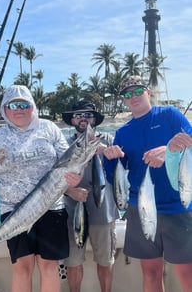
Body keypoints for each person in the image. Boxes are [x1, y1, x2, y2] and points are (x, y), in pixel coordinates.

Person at [0, 84, 75, 292]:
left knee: (49, 265)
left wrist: (75, 177)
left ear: (32, 106)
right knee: (22, 267)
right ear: (4, 109)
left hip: (51, 209)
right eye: (13, 105)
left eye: (24, 104)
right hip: (13, 213)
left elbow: (68, 160)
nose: (19, 109)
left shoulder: (49, 128)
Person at [103, 75, 192, 292]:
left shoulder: (170, 115)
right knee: (150, 272)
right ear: (123, 100)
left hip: (177, 206)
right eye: (127, 94)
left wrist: (168, 149)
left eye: (137, 91)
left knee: (187, 272)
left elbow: (189, 142)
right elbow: (114, 175)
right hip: (140, 207)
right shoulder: (122, 132)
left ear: (148, 92)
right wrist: (109, 158)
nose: (133, 97)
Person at [62, 100, 119, 292]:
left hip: (104, 212)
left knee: (105, 261)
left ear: (94, 119)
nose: (83, 118)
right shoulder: (64, 145)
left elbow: (123, 166)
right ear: (72, 120)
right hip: (72, 212)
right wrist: (71, 191)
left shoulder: (109, 140)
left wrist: (114, 152)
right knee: (73, 263)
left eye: (88, 114)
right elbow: (54, 182)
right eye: (78, 115)